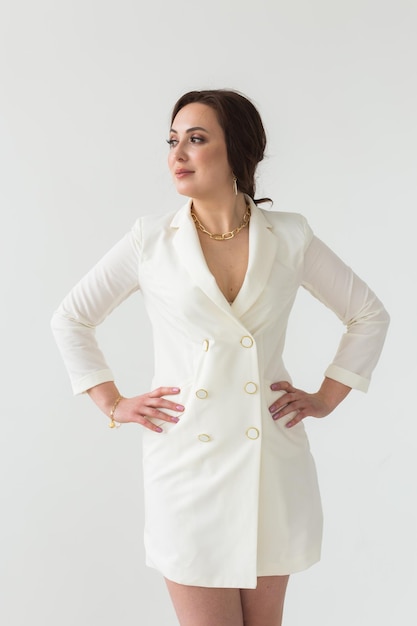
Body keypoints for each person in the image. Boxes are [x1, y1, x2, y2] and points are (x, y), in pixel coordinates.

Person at [51, 89, 390, 626]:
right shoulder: (150, 240)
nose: (177, 154)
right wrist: (112, 402)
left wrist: (328, 395)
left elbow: (368, 314)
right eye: (172, 140)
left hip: (270, 461)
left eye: (196, 138)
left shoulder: (290, 235)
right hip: (188, 464)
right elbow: (71, 318)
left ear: (238, 149)